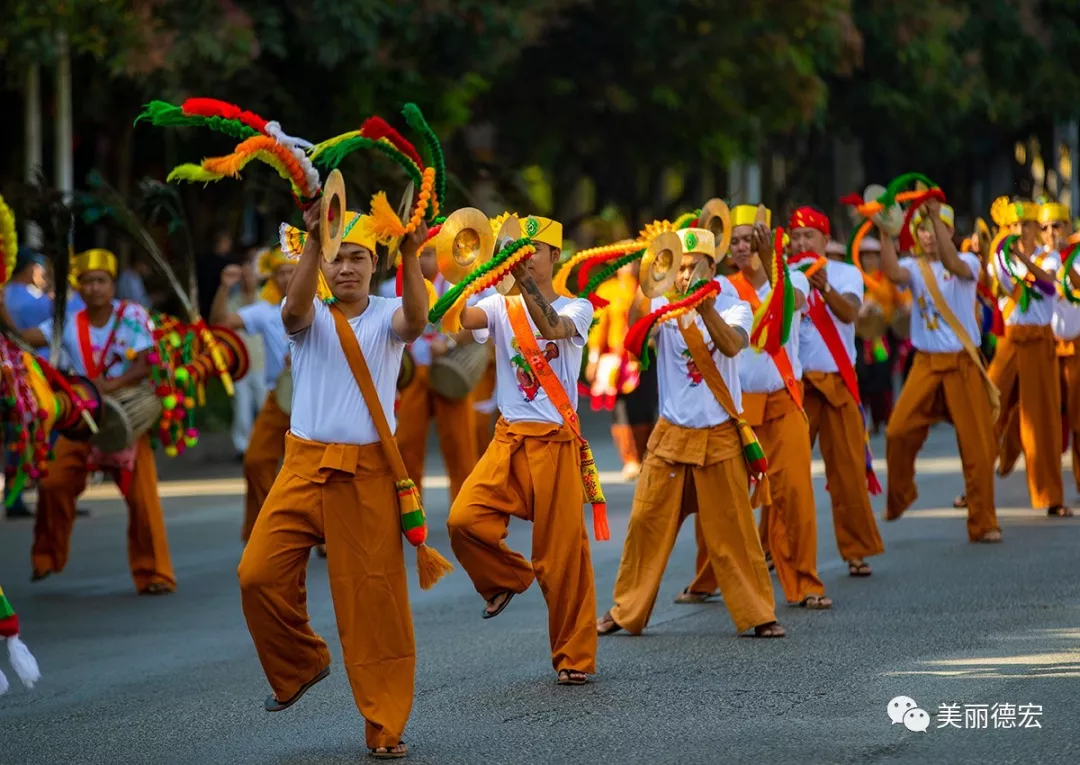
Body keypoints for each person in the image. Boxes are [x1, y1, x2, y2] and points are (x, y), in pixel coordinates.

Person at [237, 203, 433, 760]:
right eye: (336, 258)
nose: (346, 267)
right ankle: (301, 663)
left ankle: (385, 726)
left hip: (367, 474)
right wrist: (311, 247)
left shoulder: (389, 314)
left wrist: (412, 253)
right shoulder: (309, 313)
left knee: (374, 607)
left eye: (357, 258)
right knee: (256, 575)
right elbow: (294, 310)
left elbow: (416, 322)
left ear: (374, 265)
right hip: (303, 465)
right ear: (321, 263)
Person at [598, 225, 786, 638]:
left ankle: (759, 614)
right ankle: (625, 610)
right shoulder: (662, 303)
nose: (685, 276)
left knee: (734, 530)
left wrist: (703, 306)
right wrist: (648, 281)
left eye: (693, 267)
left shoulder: (734, 304)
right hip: (671, 435)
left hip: (719, 435)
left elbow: (733, 345)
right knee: (645, 523)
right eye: (678, 267)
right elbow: (635, 341)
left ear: (712, 267)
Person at [448, 215, 601, 686]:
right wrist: (459, 270)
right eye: (518, 251)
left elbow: (552, 328)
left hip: (556, 442)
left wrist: (519, 281)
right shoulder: (498, 305)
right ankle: (506, 577)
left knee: (563, 558)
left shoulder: (578, 307)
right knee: (463, 519)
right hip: (510, 439)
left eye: (534, 252)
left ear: (555, 256)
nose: (525, 259)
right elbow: (458, 321)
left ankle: (574, 657)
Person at [681, 205, 831, 607]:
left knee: (795, 496)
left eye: (751, 239)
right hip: (734, 410)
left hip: (784, 403)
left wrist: (772, 262)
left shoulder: (793, 278)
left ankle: (805, 583)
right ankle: (707, 579)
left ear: (767, 241)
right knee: (721, 501)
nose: (743, 247)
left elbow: (788, 307)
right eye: (737, 240)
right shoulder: (723, 287)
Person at [19, 249, 176, 594]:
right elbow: (25, 339)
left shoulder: (132, 315)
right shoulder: (68, 322)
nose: (94, 288)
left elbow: (147, 362)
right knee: (53, 483)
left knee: (143, 501)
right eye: (87, 281)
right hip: (83, 420)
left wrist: (111, 386)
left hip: (125, 421)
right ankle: (47, 557)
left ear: (112, 284)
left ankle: (155, 574)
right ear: (78, 286)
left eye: (101, 281)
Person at [880, 200, 1001, 542]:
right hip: (926, 363)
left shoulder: (968, 262)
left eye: (936, 228)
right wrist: (885, 232)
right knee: (896, 431)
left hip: (963, 362)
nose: (929, 235)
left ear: (949, 231)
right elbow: (894, 274)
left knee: (978, 447)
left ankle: (983, 522)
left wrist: (934, 214)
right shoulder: (914, 266)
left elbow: (951, 262)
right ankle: (901, 495)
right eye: (923, 229)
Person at [792, 206, 885, 575]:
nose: (802, 242)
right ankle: (773, 548)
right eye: (796, 236)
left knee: (848, 470)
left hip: (838, 381)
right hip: (797, 387)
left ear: (825, 240)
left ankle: (856, 549)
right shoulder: (783, 275)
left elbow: (850, 314)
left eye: (809, 236)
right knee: (786, 473)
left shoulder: (846, 273)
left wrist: (824, 286)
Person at [209, 246, 295, 543]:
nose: (287, 277)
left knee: (317, 471)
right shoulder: (265, 311)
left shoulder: (323, 306)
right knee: (256, 461)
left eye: (292, 271)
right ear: (272, 278)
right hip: (277, 399)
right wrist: (224, 287)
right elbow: (220, 322)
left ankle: (322, 531)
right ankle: (270, 528)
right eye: (281, 272)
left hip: (315, 402)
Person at [988, 200, 1069, 515]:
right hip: (1009, 341)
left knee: (1041, 419)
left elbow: (1047, 285)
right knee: (986, 408)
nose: (1020, 230)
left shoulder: (1048, 257)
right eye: (1015, 226)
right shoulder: (1000, 260)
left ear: (1036, 228)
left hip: (1039, 341)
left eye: (1026, 225)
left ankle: (1050, 497)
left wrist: (1021, 257)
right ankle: (975, 487)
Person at [395, 243, 478, 503]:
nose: (422, 261)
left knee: (460, 445)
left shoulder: (456, 286)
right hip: (414, 375)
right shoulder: (396, 288)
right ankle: (410, 509)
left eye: (428, 254)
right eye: (417, 255)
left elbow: (475, 327)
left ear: (441, 256)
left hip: (448, 372)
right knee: (406, 444)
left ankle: (466, 510)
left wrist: (449, 342)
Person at [584, 262, 656, 480]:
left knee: (646, 405)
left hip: (645, 356)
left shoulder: (650, 288)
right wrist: (594, 358)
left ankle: (646, 457)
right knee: (622, 409)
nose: (629, 266)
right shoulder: (608, 290)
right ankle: (630, 459)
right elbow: (599, 326)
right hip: (618, 359)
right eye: (624, 261)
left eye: (634, 261)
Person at [1042, 202, 1080, 495]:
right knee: (1046, 421)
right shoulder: (1037, 259)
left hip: (1077, 349)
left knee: (1078, 420)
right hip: (1046, 349)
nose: (1051, 232)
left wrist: (1062, 260)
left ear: (1068, 227)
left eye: (1057, 225)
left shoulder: (1077, 257)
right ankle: (1050, 489)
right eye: (1044, 227)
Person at [227, 250, 268, 460]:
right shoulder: (232, 301)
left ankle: (265, 446)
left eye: (250, 274)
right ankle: (242, 447)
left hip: (263, 362)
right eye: (243, 275)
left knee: (264, 408)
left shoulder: (267, 299)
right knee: (241, 409)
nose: (247, 279)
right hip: (240, 364)